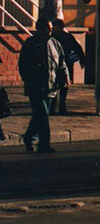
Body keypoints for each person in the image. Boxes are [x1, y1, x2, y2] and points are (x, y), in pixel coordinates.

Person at [18, 17, 69, 153]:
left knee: (39, 117)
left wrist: (65, 78)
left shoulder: (55, 44)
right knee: (43, 115)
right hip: (35, 87)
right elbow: (23, 65)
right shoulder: (30, 44)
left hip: (51, 86)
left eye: (50, 29)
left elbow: (62, 63)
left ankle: (29, 137)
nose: (49, 32)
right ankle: (44, 144)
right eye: (46, 29)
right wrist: (28, 81)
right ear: (39, 29)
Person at [51, 17, 84, 115]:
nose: (56, 30)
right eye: (55, 28)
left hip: (66, 64)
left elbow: (78, 48)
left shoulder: (67, 37)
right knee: (54, 86)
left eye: (58, 28)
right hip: (53, 65)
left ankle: (61, 107)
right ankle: (52, 107)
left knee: (64, 86)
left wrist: (82, 59)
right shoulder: (50, 38)